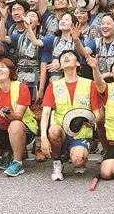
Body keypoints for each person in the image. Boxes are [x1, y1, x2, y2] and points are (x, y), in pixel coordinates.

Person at [40, 50, 103, 181]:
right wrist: (43, 137)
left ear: (78, 63)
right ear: (60, 65)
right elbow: (46, 113)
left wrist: (94, 120)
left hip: (81, 134)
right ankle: (57, 164)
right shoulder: (54, 86)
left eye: (70, 55)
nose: (66, 57)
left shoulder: (89, 84)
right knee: (53, 130)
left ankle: (75, 156)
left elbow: (98, 113)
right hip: (61, 133)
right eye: (63, 57)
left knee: (78, 162)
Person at [82, 13, 114, 77]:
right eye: (102, 23)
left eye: (108, 24)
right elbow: (84, 53)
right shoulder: (96, 41)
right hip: (98, 81)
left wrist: (103, 76)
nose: (105, 26)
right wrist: (76, 40)